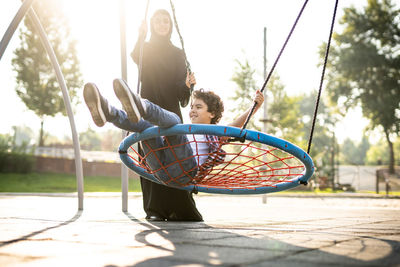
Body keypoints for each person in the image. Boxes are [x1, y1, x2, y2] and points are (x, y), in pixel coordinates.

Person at [83, 79, 264, 204]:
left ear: (212, 114)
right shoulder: (185, 131)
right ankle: (108, 112)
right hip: (161, 170)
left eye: (198, 107)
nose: (192, 110)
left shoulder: (215, 135)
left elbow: (237, 126)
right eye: (192, 107)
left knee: (175, 122)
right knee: (147, 130)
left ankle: (141, 105)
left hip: (185, 172)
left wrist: (254, 107)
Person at [130, 9, 196, 221]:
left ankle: (178, 208)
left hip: (170, 111)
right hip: (148, 108)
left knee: (174, 157)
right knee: (151, 157)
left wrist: (187, 85)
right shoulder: (146, 49)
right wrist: (140, 34)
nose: (162, 23)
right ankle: (155, 210)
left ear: (170, 25)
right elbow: (135, 55)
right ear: (151, 24)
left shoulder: (178, 53)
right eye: (157, 20)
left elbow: (181, 92)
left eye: (165, 20)